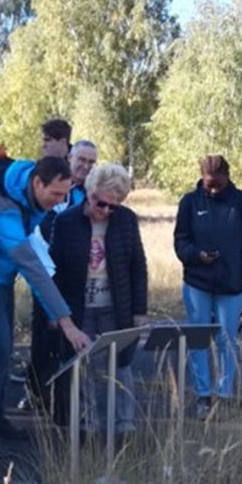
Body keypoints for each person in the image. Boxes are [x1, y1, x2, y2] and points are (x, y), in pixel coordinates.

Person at [0, 155, 92, 458]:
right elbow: (30, 265)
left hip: (1, 273)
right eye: (56, 194)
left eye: (65, 195)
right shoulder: (3, 210)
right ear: (36, 182)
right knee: (0, 348)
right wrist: (66, 322)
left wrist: (56, 309)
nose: (59, 202)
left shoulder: (27, 192)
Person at [50, 163, 148, 436]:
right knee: (84, 364)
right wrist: (56, 314)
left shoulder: (126, 220)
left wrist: (140, 310)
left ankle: (124, 425)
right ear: (88, 191)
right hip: (79, 306)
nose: (104, 210)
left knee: (121, 364)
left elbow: (138, 266)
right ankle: (87, 422)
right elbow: (53, 271)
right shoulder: (66, 221)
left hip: (117, 305)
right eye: (99, 202)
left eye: (112, 206)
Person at [173, 154, 242, 418]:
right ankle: (202, 394)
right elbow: (180, 240)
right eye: (208, 184)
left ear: (228, 177)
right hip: (197, 280)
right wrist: (196, 255)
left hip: (231, 283)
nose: (212, 189)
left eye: (218, 185)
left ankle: (225, 394)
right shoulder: (190, 202)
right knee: (198, 337)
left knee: (226, 339)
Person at [26, 131, 97, 419]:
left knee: (68, 335)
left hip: (73, 274)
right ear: (70, 157)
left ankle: (63, 400)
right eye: (81, 159)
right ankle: (37, 393)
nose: (86, 166)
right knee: (44, 332)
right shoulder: (55, 183)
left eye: (92, 161)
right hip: (43, 270)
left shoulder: (87, 194)